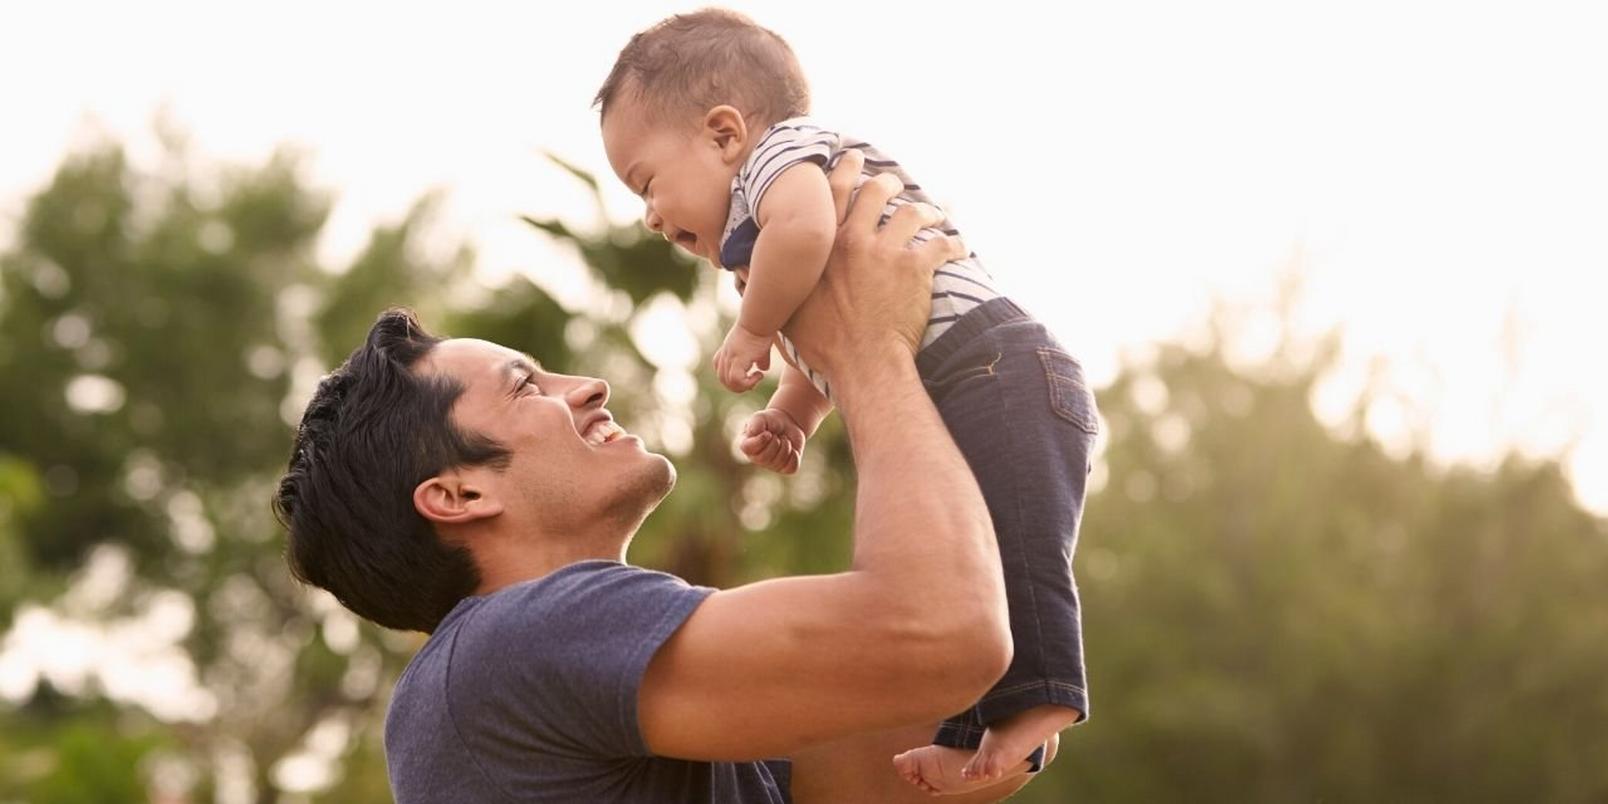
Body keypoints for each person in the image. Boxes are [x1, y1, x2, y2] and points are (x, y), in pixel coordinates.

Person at [273, 159, 1054, 802]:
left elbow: (946, 729)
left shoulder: (583, 697)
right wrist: (866, 348)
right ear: (458, 495)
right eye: (526, 386)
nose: (587, 386)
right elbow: (945, 636)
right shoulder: (513, 644)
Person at [595, 8, 1100, 793]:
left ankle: (1042, 705)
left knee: (1017, 546)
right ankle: (973, 730)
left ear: (725, 134)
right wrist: (794, 412)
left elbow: (807, 234)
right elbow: (826, 342)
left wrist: (751, 329)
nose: (651, 216)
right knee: (966, 569)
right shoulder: (760, 231)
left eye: (647, 183)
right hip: (966, 377)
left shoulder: (780, 160)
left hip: (997, 366)